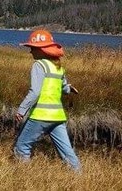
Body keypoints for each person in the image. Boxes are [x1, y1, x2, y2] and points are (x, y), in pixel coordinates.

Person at [13, 29, 81, 172]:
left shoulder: (39, 65)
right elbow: (63, 87)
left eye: (32, 48)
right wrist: (70, 89)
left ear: (42, 50)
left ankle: (23, 179)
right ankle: (79, 177)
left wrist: (21, 110)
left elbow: (35, 92)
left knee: (22, 146)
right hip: (57, 116)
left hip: (41, 115)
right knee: (67, 152)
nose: (30, 51)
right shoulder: (58, 67)